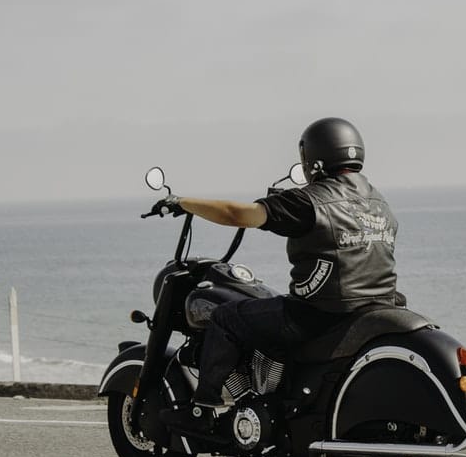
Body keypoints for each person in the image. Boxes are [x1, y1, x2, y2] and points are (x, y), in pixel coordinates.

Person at [157, 117, 399, 436]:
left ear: (312, 158)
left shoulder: (308, 200)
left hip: (318, 314)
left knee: (226, 317)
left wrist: (183, 201)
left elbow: (238, 215)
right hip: (374, 307)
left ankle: (202, 411)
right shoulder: (378, 202)